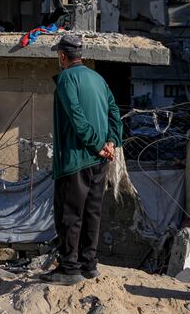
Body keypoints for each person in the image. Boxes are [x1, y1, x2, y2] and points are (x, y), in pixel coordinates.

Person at [42, 34, 122, 285]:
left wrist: (98, 145)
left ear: (63, 56)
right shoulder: (98, 78)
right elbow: (114, 111)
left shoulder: (66, 79)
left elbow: (76, 117)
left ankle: (69, 269)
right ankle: (89, 265)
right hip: (100, 162)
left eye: (59, 55)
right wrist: (111, 142)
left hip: (76, 161)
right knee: (92, 214)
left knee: (69, 215)